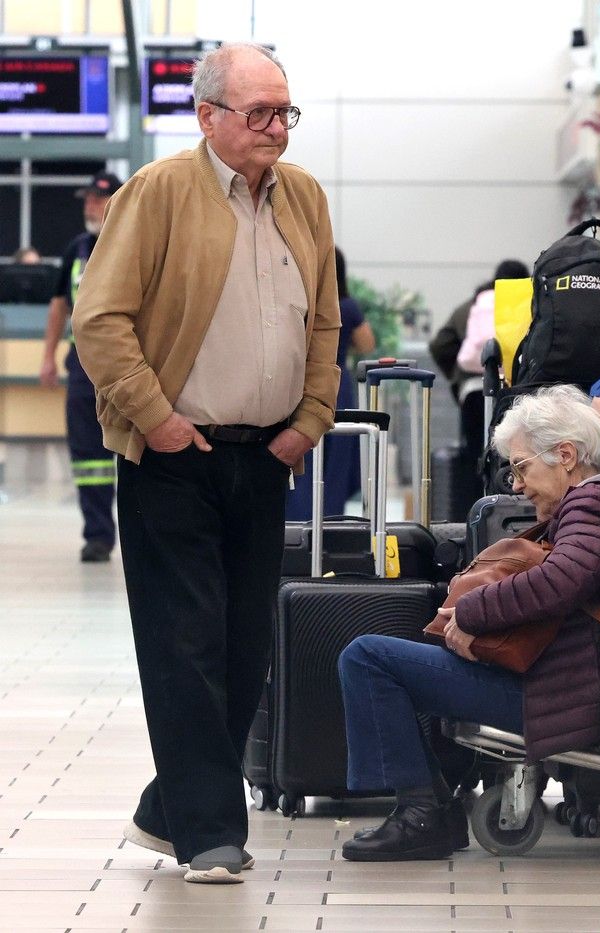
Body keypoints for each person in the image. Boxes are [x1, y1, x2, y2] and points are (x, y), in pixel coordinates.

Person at [72, 42, 340, 884]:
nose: (274, 129)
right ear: (209, 116)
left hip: (268, 455)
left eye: (283, 112)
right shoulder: (158, 193)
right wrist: (154, 418)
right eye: (258, 113)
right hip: (171, 457)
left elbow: (324, 322)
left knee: (243, 648)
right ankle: (211, 834)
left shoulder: (303, 196)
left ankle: (171, 803)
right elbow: (101, 319)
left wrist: (312, 418)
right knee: (183, 641)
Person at [339, 385, 600, 861]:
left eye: (522, 467)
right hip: (567, 681)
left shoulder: (594, 504)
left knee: (369, 659)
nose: (516, 484)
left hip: (557, 692)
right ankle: (431, 811)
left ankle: (420, 815)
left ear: (567, 455)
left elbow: (561, 581)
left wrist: (471, 614)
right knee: (393, 660)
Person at [39, 171, 123, 562]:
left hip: (128, 367)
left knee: (142, 453)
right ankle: (99, 535)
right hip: (83, 369)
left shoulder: (131, 243)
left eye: (98, 199)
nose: (91, 206)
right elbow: (60, 306)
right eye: (88, 200)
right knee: (89, 458)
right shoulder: (77, 249)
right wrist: (48, 357)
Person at [429, 259, 528, 508]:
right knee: (516, 451)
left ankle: (475, 511)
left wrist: (457, 379)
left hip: (473, 390)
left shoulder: (472, 306)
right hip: (515, 391)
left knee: (475, 453)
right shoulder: (529, 302)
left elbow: (439, 344)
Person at [286, 245, 375, 519]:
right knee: (336, 455)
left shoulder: (300, 301)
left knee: (302, 449)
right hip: (337, 385)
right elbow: (366, 344)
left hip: (299, 383)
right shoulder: (347, 306)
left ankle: (296, 517)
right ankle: (330, 518)